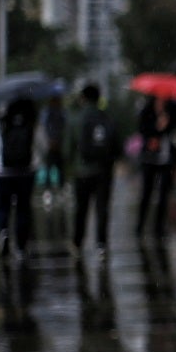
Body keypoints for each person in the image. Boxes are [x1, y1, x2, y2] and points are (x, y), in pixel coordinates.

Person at [0, 97, 46, 263]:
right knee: (23, 208)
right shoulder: (32, 120)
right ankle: (20, 246)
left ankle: (3, 232)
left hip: (3, 171)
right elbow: (43, 145)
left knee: (3, 206)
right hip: (26, 171)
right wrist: (38, 161)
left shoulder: (1, 121)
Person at [67, 84, 121, 257]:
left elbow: (67, 148)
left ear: (83, 98)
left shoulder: (76, 118)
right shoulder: (107, 118)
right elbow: (117, 146)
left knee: (81, 209)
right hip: (104, 171)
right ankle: (101, 244)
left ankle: (77, 242)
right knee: (102, 208)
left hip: (82, 171)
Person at [134, 97, 176, 239]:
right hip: (150, 158)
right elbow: (142, 130)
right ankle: (140, 225)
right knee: (147, 192)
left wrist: (172, 126)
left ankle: (159, 227)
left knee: (164, 194)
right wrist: (156, 129)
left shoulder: (174, 110)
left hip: (166, 158)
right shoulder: (147, 111)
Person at [38, 95, 67, 204]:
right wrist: (48, 142)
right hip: (49, 145)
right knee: (50, 168)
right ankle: (48, 192)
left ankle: (60, 190)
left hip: (59, 144)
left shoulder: (61, 112)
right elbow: (43, 128)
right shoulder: (46, 113)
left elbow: (65, 128)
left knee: (60, 169)